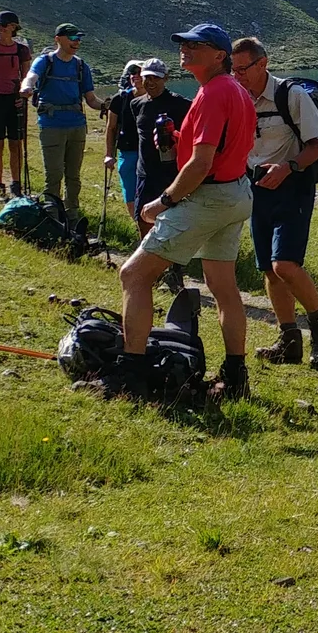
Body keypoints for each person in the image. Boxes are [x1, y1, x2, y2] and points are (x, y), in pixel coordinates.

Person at [111, 24, 256, 400]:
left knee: (134, 275)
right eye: (184, 44)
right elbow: (220, 148)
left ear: (219, 55)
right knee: (223, 285)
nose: (186, 50)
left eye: (197, 45)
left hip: (207, 198)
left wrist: (165, 201)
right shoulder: (234, 90)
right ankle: (236, 377)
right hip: (236, 194)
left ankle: (132, 376)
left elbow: (201, 164)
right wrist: (177, 139)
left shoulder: (212, 93)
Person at [232, 38, 318, 366]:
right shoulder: (238, 97)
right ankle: (289, 340)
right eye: (232, 70)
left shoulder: (292, 96)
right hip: (257, 189)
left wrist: (288, 167)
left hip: (293, 188)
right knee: (269, 270)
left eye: (243, 69)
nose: (237, 76)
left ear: (263, 64)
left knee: (284, 265)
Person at [20, 22, 106, 211]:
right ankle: (52, 215)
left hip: (77, 126)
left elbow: (91, 99)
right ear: (58, 39)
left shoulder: (82, 66)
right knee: (54, 174)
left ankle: (72, 216)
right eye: (73, 38)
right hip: (51, 126)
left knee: (73, 176)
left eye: (79, 39)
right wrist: (26, 87)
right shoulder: (45, 61)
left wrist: (110, 106)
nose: (77, 42)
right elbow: (31, 76)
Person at [129, 58, 191, 221]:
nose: (150, 82)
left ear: (166, 78)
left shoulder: (181, 104)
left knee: (172, 221)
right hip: (145, 173)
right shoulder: (136, 104)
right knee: (142, 218)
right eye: (147, 77)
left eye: (156, 77)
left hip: (170, 174)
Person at [0, 10, 32, 198]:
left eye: (4, 25)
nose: (0, 29)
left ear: (13, 28)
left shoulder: (22, 50)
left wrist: (24, 93)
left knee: (16, 143)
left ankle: (16, 184)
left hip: (15, 100)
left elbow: (27, 76)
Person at [103, 62, 143, 221]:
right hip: (127, 152)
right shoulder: (119, 99)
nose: (135, 76)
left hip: (149, 153)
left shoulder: (156, 99)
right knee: (130, 190)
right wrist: (108, 154)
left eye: (140, 72)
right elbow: (111, 127)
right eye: (133, 72)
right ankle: (139, 225)